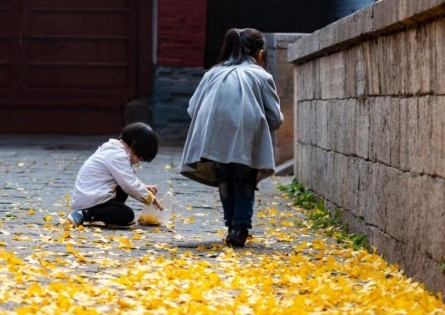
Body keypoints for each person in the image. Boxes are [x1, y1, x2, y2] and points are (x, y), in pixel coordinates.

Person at [180, 27, 284, 247]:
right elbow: (275, 118)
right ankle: (240, 226)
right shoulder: (261, 76)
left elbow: (192, 108)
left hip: (214, 129)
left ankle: (231, 225)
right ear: (259, 52)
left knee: (224, 177)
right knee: (245, 178)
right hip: (247, 128)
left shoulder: (212, 73)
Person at [67, 122, 164, 228]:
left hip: (94, 194)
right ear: (134, 145)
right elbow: (130, 185)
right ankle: (83, 213)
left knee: (125, 184)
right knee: (127, 214)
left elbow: (127, 180)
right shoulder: (118, 155)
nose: (139, 161)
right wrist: (152, 199)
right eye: (140, 157)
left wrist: (144, 188)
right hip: (90, 199)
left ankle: (108, 217)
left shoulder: (114, 149)